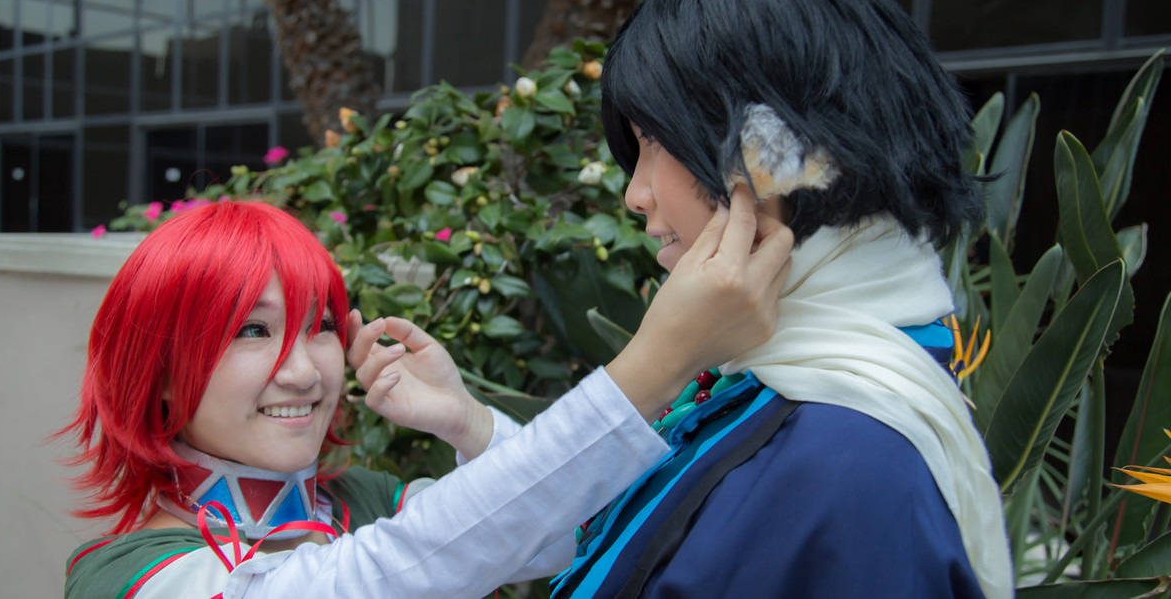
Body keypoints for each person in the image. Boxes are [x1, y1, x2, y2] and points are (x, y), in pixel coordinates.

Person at [375, 0, 1014, 597]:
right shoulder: (792, 380)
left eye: (654, 142)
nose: (635, 194)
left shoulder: (845, 462)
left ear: (777, 152)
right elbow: (614, 527)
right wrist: (472, 424)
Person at [61, 194, 792, 599]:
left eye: (320, 327)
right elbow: (379, 576)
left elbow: (571, 537)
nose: (304, 371)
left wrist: (466, 420)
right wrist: (658, 361)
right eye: (252, 330)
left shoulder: (363, 499)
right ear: (159, 369)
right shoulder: (127, 578)